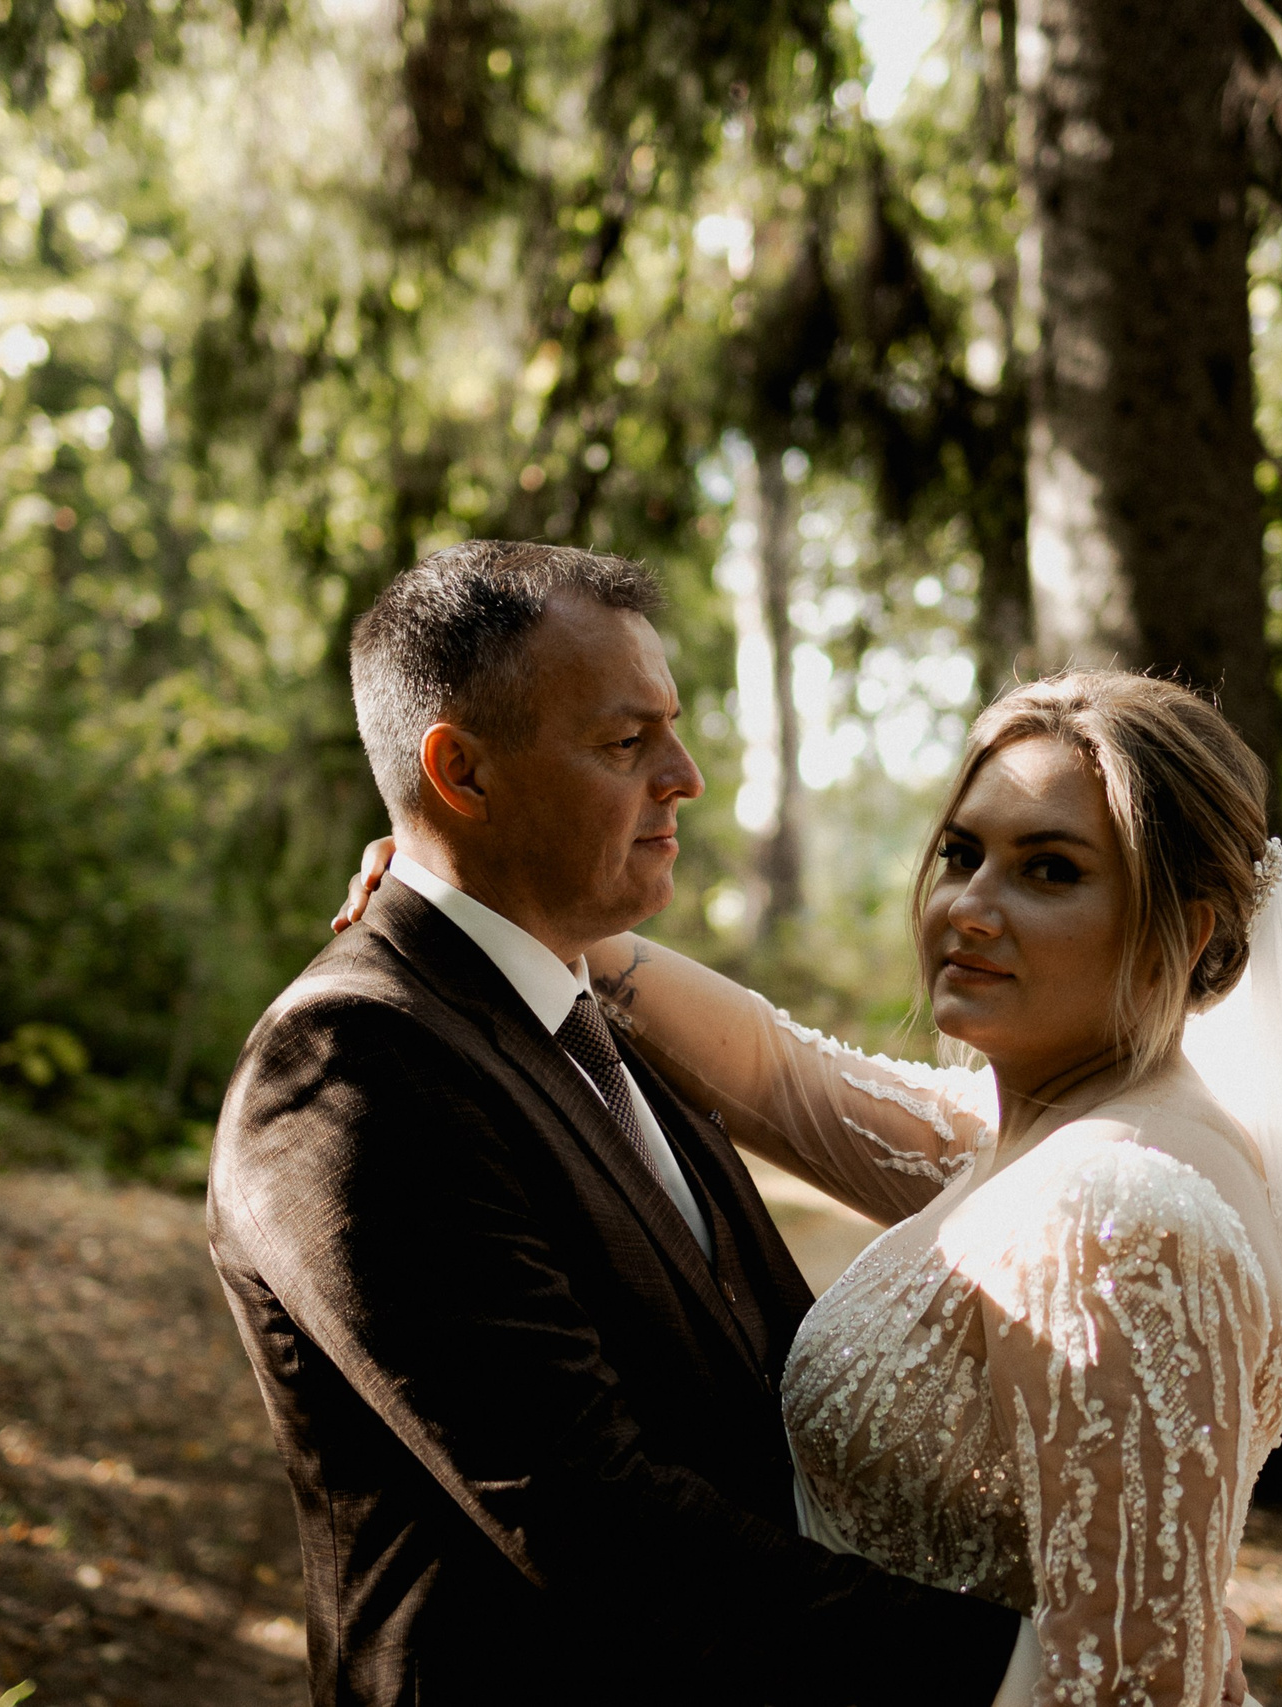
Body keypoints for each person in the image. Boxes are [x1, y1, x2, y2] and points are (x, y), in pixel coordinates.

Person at [336, 649, 1282, 1706]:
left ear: (1193, 931)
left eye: (1051, 870)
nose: (971, 909)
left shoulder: (1118, 1211)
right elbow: (782, 1076)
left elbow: (1128, 1692)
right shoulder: (1037, 1137)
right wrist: (479, 901)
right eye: (961, 854)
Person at [208, 540, 1042, 1707]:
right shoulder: (354, 1064)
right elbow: (587, 1513)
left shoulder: (589, 1006)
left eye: (674, 727)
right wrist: (1037, 1671)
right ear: (463, 772)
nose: (686, 776)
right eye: (625, 742)